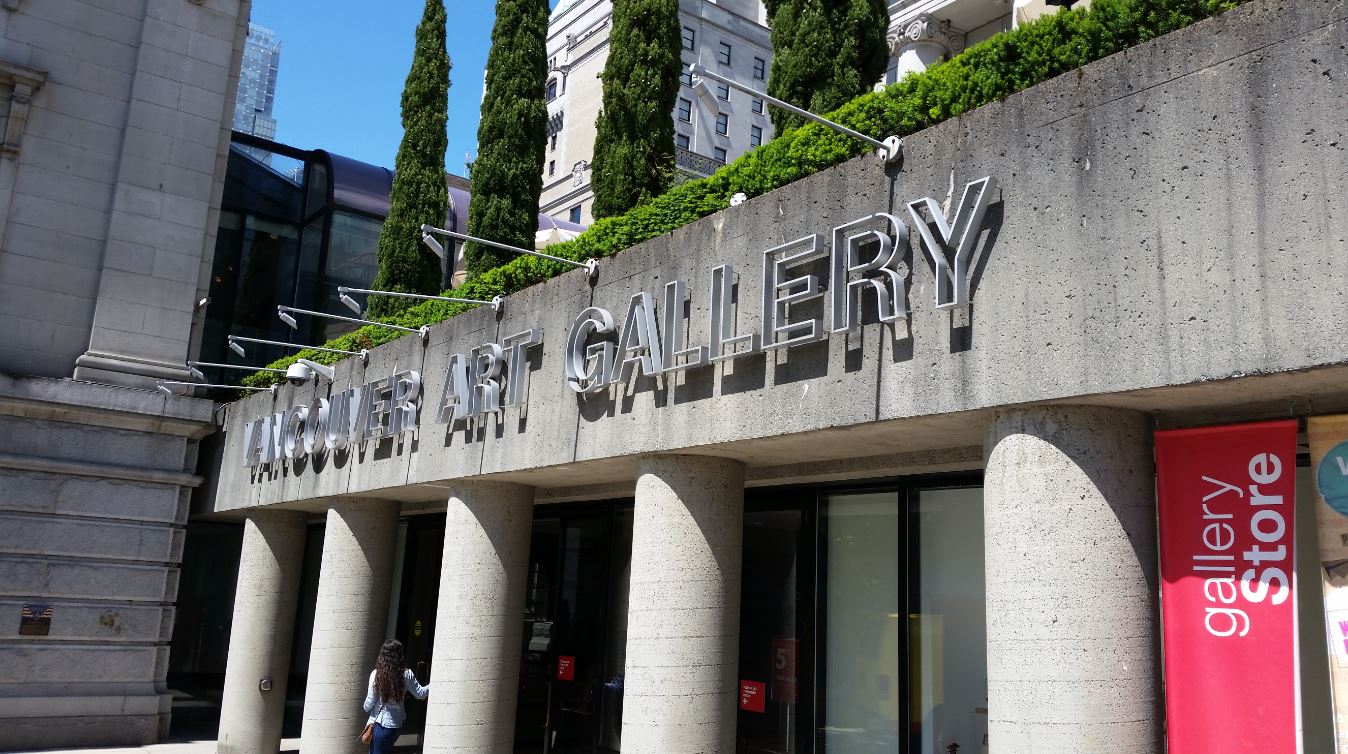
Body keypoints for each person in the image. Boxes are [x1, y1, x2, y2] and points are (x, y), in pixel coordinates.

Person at [364, 639, 430, 753]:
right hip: (398, 725)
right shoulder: (406, 674)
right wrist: (436, 683)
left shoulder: (376, 674)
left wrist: (365, 707)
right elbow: (420, 693)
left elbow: (369, 703)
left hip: (382, 725)